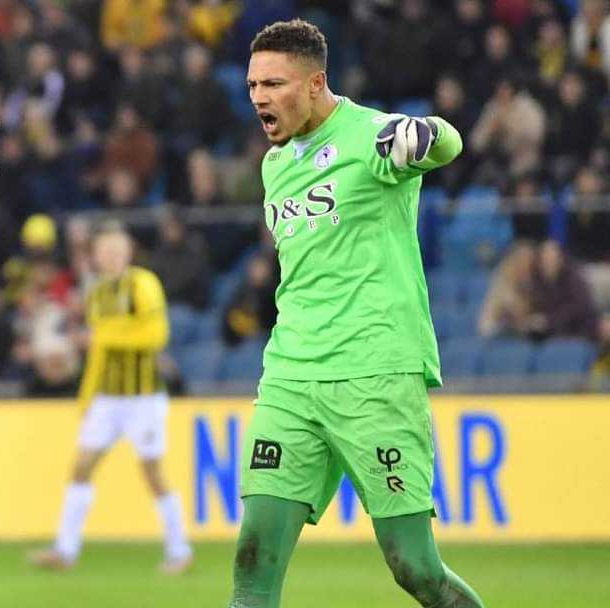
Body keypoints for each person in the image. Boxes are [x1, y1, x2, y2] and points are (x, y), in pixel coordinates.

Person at [233, 20, 483, 607]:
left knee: (416, 569)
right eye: (251, 85)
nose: (259, 98)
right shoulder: (275, 164)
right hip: (291, 376)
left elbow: (446, 142)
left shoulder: (371, 138)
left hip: (375, 372)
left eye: (274, 84)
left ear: (316, 83)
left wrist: (422, 133)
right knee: (252, 561)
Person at [29, 222, 192, 574]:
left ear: (128, 252)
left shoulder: (143, 284)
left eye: (117, 251)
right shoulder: (98, 293)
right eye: (104, 252)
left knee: (152, 471)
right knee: (81, 466)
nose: (111, 258)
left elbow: (156, 335)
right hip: (107, 398)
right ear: (96, 256)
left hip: (144, 396)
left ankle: (180, 549)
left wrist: (105, 336)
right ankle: (65, 550)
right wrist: (87, 397)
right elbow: (98, 355)